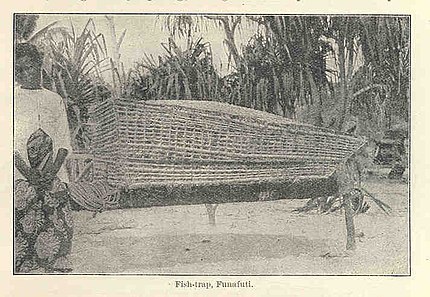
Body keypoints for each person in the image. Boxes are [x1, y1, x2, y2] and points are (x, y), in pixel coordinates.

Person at [14, 43, 74, 273]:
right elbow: (10, 143)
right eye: (17, 70)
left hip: (52, 170)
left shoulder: (54, 100)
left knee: (56, 195)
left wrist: (51, 172)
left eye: (28, 67)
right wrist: (29, 174)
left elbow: (63, 140)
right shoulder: (10, 99)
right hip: (21, 171)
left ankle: (56, 261)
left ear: (39, 66)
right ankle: (22, 263)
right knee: (23, 200)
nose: (22, 74)